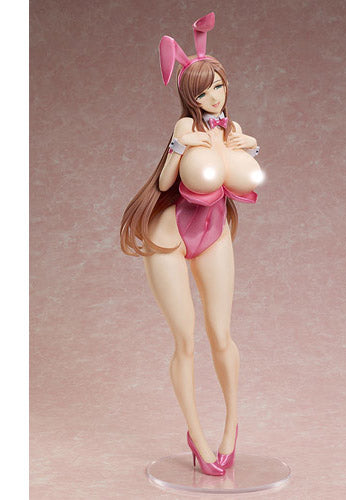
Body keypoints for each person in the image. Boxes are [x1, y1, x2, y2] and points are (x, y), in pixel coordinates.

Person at [120, 12, 263, 476]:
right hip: (169, 235)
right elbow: (166, 182)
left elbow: (243, 175)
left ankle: (231, 427)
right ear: (189, 97)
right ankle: (197, 436)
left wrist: (243, 148)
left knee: (221, 333)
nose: (213, 96)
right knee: (185, 340)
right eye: (202, 92)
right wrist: (178, 150)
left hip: (213, 232)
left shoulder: (230, 128)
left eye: (217, 86)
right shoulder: (185, 129)